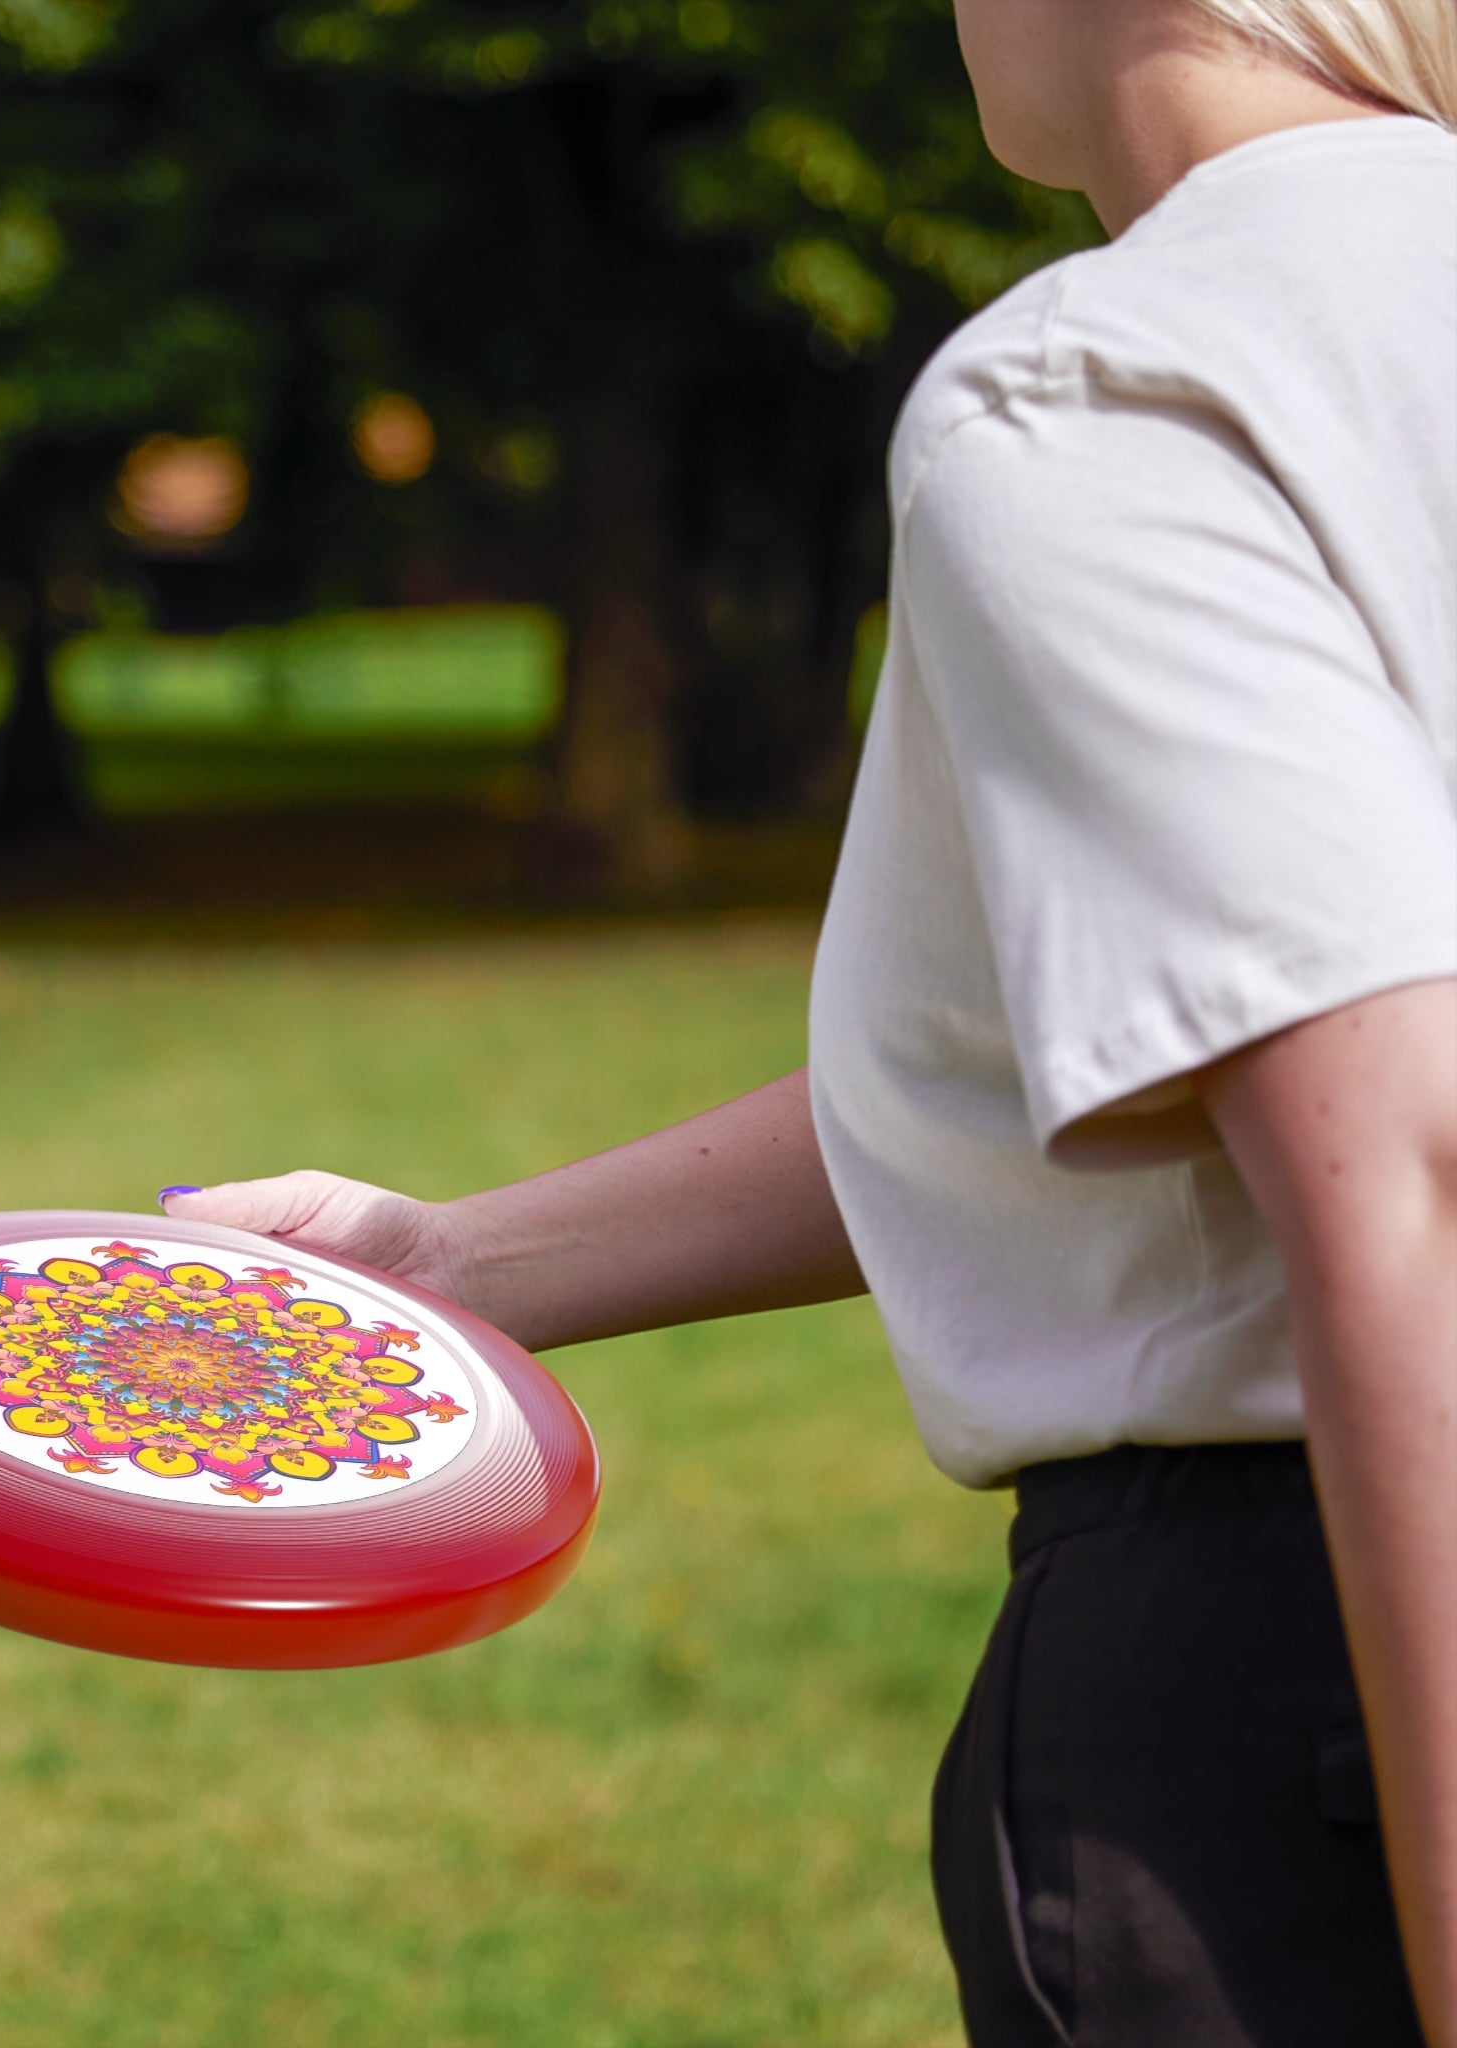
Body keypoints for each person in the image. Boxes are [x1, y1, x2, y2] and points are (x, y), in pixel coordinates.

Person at [156, 2, 1457, 2041]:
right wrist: (455, 1263)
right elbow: (1131, 1054)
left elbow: (1407, 1172)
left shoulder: (1114, 384)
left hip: (1311, 1691)